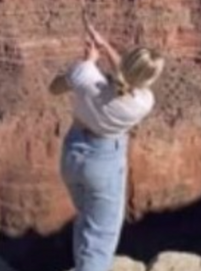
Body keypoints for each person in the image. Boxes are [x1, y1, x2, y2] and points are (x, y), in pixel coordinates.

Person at [49, 17, 166, 271]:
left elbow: (54, 89)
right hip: (104, 164)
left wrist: (87, 62)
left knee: (86, 219)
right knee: (100, 236)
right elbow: (126, 79)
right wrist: (105, 48)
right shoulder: (143, 102)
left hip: (73, 155)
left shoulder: (85, 75)